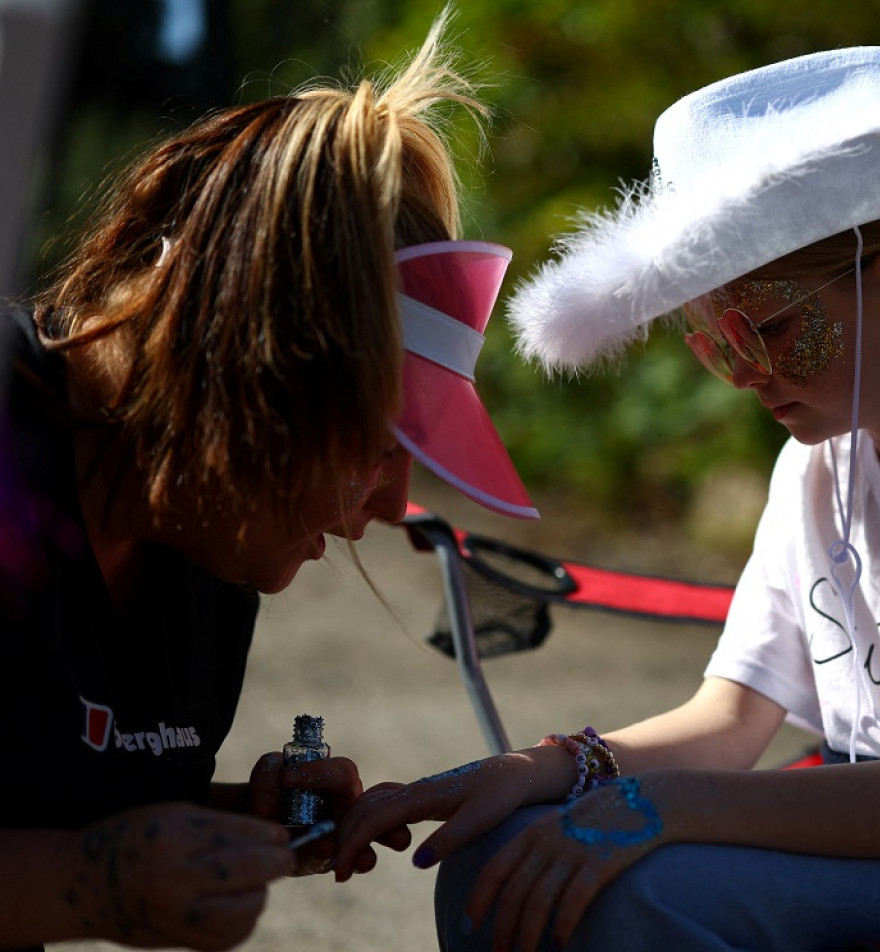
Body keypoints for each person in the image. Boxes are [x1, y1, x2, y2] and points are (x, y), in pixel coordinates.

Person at [333, 33, 880, 952]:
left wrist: (650, 809)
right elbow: (730, 719)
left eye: (773, 329)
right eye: (719, 344)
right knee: (497, 859)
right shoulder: (817, 462)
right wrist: (545, 771)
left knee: (623, 897)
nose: (747, 375)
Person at [0, 10, 535, 951]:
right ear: (254, 370)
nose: (392, 504)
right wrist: (86, 886)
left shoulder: (204, 530)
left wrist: (229, 823)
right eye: (376, 442)